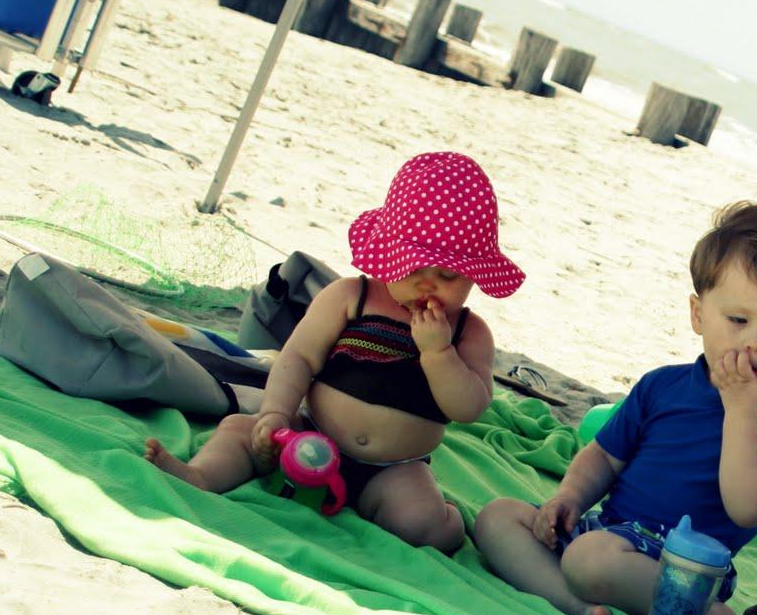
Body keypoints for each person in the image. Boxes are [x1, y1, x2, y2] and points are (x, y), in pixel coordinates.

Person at [473, 202, 757, 615]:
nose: (755, 342)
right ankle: (574, 606)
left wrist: (742, 413)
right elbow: (604, 456)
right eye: (738, 320)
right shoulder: (662, 387)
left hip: (686, 566)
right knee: (497, 518)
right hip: (611, 533)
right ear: (699, 314)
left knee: (588, 561)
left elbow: (747, 510)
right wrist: (569, 498)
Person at [144, 152, 524, 553]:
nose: (428, 286)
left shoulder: (468, 333)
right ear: (390, 254)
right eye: (413, 268)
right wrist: (274, 412)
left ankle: (445, 523)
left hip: (393, 469)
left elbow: (468, 408)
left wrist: (438, 353)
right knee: (240, 431)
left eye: (448, 275)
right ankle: (200, 476)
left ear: (474, 275)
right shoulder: (351, 297)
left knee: (417, 523)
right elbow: (298, 358)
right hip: (309, 435)